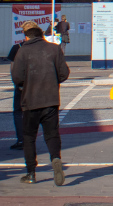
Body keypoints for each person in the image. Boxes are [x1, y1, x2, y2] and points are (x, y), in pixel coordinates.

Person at [10, 21, 69, 184]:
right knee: (52, 135)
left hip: (30, 101)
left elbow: (17, 78)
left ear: (26, 36)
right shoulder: (54, 49)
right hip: (50, 100)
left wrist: (24, 86)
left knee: (29, 136)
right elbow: (64, 74)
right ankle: (56, 159)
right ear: (41, 34)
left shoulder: (23, 51)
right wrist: (52, 81)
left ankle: (31, 173)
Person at [6, 40, 21, 150]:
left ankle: (21, 139)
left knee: (18, 112)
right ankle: (30, 139)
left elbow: (12, 68)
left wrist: (16, 82)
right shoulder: (44, 47)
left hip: (21, 85)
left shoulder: (17, 47)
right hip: (36, 86)